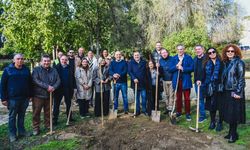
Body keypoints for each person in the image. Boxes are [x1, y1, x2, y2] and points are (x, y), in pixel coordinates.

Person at [0, 54, 32, 142]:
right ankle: (12, 134)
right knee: (12, 117)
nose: (20, 60)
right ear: (14, 60)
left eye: (22, 59)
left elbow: (30, 83)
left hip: (24, 98)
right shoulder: (8, 70)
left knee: (22, 116)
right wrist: (3, 98)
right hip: (12, 99)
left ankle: (21, 131)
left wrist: (30, 95)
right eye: (18, 59)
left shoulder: (26, 69)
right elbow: (2, 85)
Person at [221, 44, 246, 143]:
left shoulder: (239, 62)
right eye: (228, 51)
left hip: (234, 91)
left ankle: (233, 134)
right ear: (225, 53)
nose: (230, 53)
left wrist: (238, 92)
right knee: (229, 113)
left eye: (232, 51)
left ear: (236, 52)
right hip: (227, 91)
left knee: (234, 114)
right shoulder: (226, 63)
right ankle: (231, 132)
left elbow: (241, 79)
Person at [32, 55, 60, 135]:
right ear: (41, 61)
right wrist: (47, 86)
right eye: (45, 61)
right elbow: (36, 80)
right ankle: (36, 128)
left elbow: (58, 80)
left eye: (48, 61)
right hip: (38, 95)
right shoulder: (36, 70)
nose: (46, 62)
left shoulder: (54, 70)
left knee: (48, 112)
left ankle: (48, 125)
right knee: (36, 112)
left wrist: (54, 87)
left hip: (50, 95)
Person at [169, 44, 193, 121]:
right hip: (177, 81)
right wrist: (176, 66)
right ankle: (179, 111)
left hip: (186, 81)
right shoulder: (173, 58)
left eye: (181, 49)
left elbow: (192, 68)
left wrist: (183, 68)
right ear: (177, 50)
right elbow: (170, 69)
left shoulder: (188, 58)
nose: (180, 50)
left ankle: (187, 113)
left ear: (184, 50)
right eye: (178, 49)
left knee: (187, 98)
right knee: (178, 98)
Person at [204, 47, 224, 131]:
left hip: (219, 87)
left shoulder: (222, 62)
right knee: (212, 105)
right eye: (210, 53)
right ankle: (212, 122)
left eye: (213, 51)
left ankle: (220, 122)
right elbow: (203, 75)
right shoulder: (206, 63)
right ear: (208, 55)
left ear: (216, 52)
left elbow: (224, 75)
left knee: (220, 106)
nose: (212, 53)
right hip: (209, 87)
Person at [53, 55, 76, 125]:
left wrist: (75, 87)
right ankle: (55, 119)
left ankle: (69, 117)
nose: (64, 61)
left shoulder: (70, 68)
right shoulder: (56, 68)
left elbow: (73, 78)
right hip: (58, 89)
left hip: (68, 89)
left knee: (68, 104)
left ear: (67, 60)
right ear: (60, 60)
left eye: (65, 60)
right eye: (62, 59)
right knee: (56, 105)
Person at [128, 51, 147, 116]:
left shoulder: (144, 62)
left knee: (144, 97)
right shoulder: (131, 63)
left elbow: (147, 71)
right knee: (137, 98)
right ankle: (137, 111)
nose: (136, 56)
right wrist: (134, 78)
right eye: (135, 55)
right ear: (133, 56)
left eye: (138, 55)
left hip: (143, 83)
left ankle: (144, 110)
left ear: (140, 56)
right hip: (135, 83)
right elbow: (129, 72)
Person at [193, 45, 207, 123]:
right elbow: (194, 70)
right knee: (200, 99)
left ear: (203, 49)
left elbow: (206, 71)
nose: (197, 50)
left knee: (209, 98)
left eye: (199, 49)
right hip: (197, 82)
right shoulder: (195, 59)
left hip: (205, 82)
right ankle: (203, 116)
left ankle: (213, 115)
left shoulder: (207, 58)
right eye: (196, 49)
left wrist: (200, 79)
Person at [159, 48, 174, 114]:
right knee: (166, 95)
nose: (164, 54)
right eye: (162, 53)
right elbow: (160, 71)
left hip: (171, 80)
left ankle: (171, 108)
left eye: (165, 52)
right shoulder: (160, 61)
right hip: (164, 80)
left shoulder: (172, 59)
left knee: (171, 95)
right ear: (161, 54)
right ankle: (167, 108)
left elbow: (174, 68)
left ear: (167, 53)